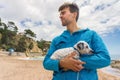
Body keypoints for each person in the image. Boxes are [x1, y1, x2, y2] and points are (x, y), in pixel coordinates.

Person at [43, 2, 111, 80]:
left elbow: (105, 59)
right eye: (60, 14)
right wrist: (62, 63)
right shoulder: (56, 40)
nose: (60, 16)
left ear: (74, 14)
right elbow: (46, 63)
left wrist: (75, 62)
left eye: (63, 13)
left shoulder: (92, 35)